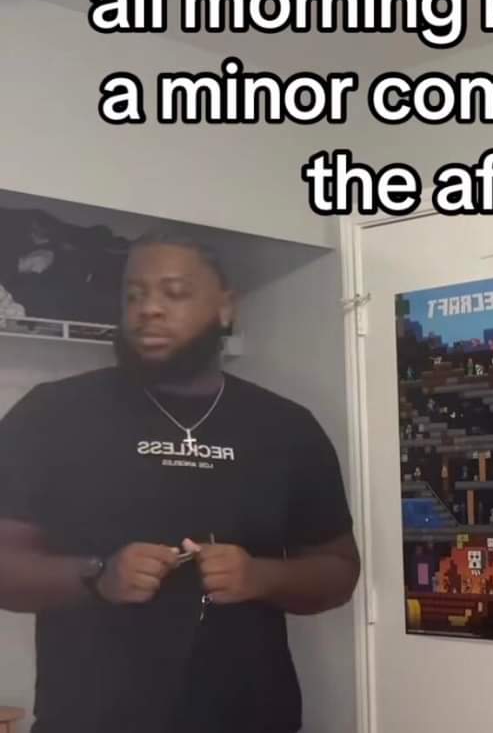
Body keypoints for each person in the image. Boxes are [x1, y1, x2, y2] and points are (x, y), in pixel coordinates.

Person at [0, 231, 361, 733]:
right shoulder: (50, 414)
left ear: (225, 307)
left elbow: (339, 571)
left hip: (251, 716)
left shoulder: (287, 428)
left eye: (175, 293)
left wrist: (260, 576)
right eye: (134, 294)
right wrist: (98, 576)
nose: (149, 309)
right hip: (89, 719)